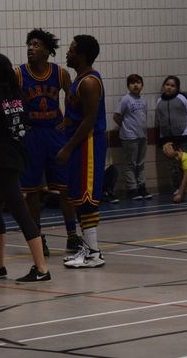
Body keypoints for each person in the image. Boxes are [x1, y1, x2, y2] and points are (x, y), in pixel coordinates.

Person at [0, 53, 51, 283]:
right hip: (16, 156)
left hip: (3, 162)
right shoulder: (17, 95)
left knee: (21, 213)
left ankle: (42, 268)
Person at [14, 29, 79, 255]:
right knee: (32, 191)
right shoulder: (19, 74)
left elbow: (73, 102)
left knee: (65, 188)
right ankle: (38, 237)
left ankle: (72, 235)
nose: (31, 48)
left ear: (48, 51)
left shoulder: (61, 74)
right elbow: (12, 105)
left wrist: (67, 124)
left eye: (36, 44)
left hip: (55, 134)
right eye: (29, 44)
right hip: (32, 136)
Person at [56, 35, 107, 269]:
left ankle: (94, 253)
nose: (67, 53)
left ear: (83, 55)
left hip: (88, 144)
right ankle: (87, 250)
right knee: (77, 196)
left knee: (87, 199)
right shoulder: (79, 80)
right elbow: (76, 117)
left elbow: (89, 121)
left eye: (72, 50)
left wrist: (67, 147)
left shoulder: (89, 82)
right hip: (78, 143)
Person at [156, 76, 187, 196]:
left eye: (172, 85)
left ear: (177, 88)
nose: (169, 87)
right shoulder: (159, 101)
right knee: (172, 165)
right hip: (167, 138)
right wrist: (161, 137)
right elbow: (159, 120)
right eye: (167, 85)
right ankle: (177, 186)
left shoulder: (182, 98)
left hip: (183, 135)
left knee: (185, 162)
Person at [113, 74, 151, 200]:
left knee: (140, 164)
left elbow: (143, 118)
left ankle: (142, 187)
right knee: (131, 164)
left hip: (142, 136)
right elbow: (116, 116)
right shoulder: (125, 99)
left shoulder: (144, 100)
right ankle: (132, 189)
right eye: (132, 83)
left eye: (138, 82)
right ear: (128, 86)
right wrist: (125, 127)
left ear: (142, 85)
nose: (135, 85)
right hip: (129, 137)